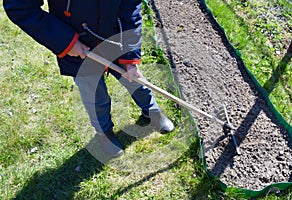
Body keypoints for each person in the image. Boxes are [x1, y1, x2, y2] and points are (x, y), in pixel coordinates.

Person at [3, 0, 174, 158]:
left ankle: (151, 111)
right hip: (77, 44)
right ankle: (104, 132)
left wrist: (130, 53)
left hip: (116, 36)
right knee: (94, 94)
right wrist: (66, 42)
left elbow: (131, 5)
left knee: (134, 80)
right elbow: (20, 7)